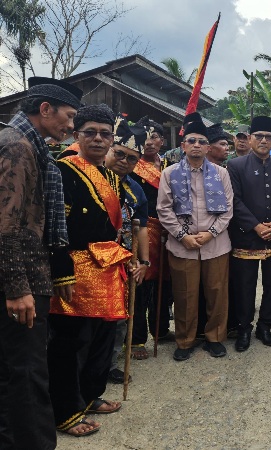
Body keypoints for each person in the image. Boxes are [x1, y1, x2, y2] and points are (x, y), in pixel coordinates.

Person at [0, 76, 80, 446]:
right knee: (28, 373)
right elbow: (6, 224)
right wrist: (17, 288)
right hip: (21, 281)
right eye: (69, 116)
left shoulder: (32, 147)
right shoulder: (16, 147)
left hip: (29, 273)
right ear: (45, 109)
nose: (71, 126)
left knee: (17, 371)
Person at [48, 104, 129, 436]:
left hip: (107, 266)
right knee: (71, 341)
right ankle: (65, 409)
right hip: (76, 269)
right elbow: (54, 227)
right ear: (76, 134)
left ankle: (90, 395)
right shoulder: (62, 170)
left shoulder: (111, 176)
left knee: (102, 338)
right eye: (90, 132)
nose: (98, 139)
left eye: (105, 133)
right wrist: (60, 270)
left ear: (112, 138)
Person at [157, 116, 234, 361]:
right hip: (183, 246)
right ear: (183, 146)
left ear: (208, 147)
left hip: (216, 244)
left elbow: (228, 209)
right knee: (185, 294)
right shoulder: (169, 174)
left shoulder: (221, 173)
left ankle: (215, 338)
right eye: (192, 141)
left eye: (202, 141)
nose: (197, 145)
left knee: (217, 293)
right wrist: (182, 236)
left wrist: (210, 234)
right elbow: (164, 209)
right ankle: (185, 340)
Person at [227, 116, 271, 352]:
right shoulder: (235, 166)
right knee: (245, 285)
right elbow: (235, 200)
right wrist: (256, 226)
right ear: (250, 139)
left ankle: (265, 326)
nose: (263, 140)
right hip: (246, 235)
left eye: (268, 137)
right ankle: (244, 328)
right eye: (259, 136)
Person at [104, 116, 151, 370]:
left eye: (131, 159)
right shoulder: (90, 177)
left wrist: (144, 262)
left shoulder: (136, 191)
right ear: (110, 148)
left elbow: (141, 228)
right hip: (92, 261)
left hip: (124, 262)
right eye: (119, 154)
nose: (124, 162)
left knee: (120, 314)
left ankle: (108, 366)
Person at [128, 117, 173, 369]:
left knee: (166, 283)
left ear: (162, 141)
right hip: (143, 228)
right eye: (144, 137)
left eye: (154, 136)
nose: (149, 141)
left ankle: (162, 328)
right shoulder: (132, 166)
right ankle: (136, 339)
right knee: (141, 283)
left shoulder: (170, 166)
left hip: (169, 229)